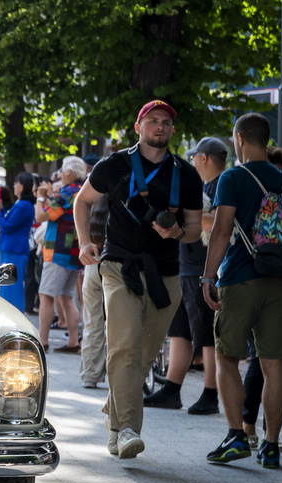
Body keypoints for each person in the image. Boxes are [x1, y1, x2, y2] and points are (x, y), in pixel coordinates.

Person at [72, 100, 203, 459]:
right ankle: (127, 429)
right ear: (138, 127)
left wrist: (178, 233)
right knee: (125, 347)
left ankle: (114, 412)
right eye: (153, 121)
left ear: (172, 130)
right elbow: (82, 201)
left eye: (166, 122)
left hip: (167, 273)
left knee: (144, 354)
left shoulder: (187, 174)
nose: (160, 127)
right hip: (119, 267)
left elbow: (195, 228)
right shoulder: (114, 164)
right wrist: (84, 241)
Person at [201, 113, 282, 469]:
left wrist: (208, 277)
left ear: (240, 139)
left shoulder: (233, 177)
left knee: (227, 357)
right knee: (274, 364)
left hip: (240, 279)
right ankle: (271, 446)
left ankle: (236, 436)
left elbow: (221, 230)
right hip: (280, 283)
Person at [144, 137, 225, 412]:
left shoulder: (222, 185)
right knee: (179, 331)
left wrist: (185, 217)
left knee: (207, 335)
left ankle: (211, 393)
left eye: (194, 157)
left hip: (203, 269)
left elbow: (218, 222)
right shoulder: (202, 185)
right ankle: (172, 388)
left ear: (204, 158)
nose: (191, 162)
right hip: (186, 266)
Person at [240, 145, 282, 449]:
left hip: (280, 285)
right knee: (262, 361)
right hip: (265, 283)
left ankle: (266, 433)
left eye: (280, 171)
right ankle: (252, 427)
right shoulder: (260, 194)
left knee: (278, 360)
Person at [35, 157, 87, 353]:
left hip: (58, 250)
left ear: (70, 173)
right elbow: (58, 212)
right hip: (75, 251)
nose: (61, 175)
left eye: (63, 171)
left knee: (46, 295)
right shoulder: (83, 189)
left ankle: (43, 341)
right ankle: (73, 341)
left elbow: (41, 216)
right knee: (66, 296)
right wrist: (49, 197)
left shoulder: (67, 192)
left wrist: (40, 198)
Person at [79, 193, 110, 389]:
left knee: (92, 321)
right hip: (115, 264)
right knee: (117, 324)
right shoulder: (122, 201)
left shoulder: (93, 203)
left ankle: (90, 375)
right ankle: (117, 375)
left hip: (93, 262)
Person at [0, 175, 36, 311]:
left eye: (17, 183)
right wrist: (0, 209)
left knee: (11, 288)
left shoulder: (24, 205)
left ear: (23, 186)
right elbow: (7, 221)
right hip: (10, 249)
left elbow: (7, 226)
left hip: (14, 250)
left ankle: (14, 316)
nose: (14, 185)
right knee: (7, 287)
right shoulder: (21, 203)